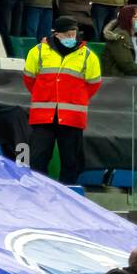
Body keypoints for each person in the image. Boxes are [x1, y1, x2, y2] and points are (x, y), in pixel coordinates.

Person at [23, 15, 102, 186]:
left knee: (71, 161)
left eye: (73, 33)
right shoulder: (37, 52)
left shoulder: (88, 56)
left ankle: (66, 196)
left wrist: (76, 99)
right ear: (55, 33)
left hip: (72, 117)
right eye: (67, 34)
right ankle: (38, 191)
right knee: (38, 158)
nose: (71, 37)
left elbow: (94, 84)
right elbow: (29, 79)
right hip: (43, 115)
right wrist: (44, 96)